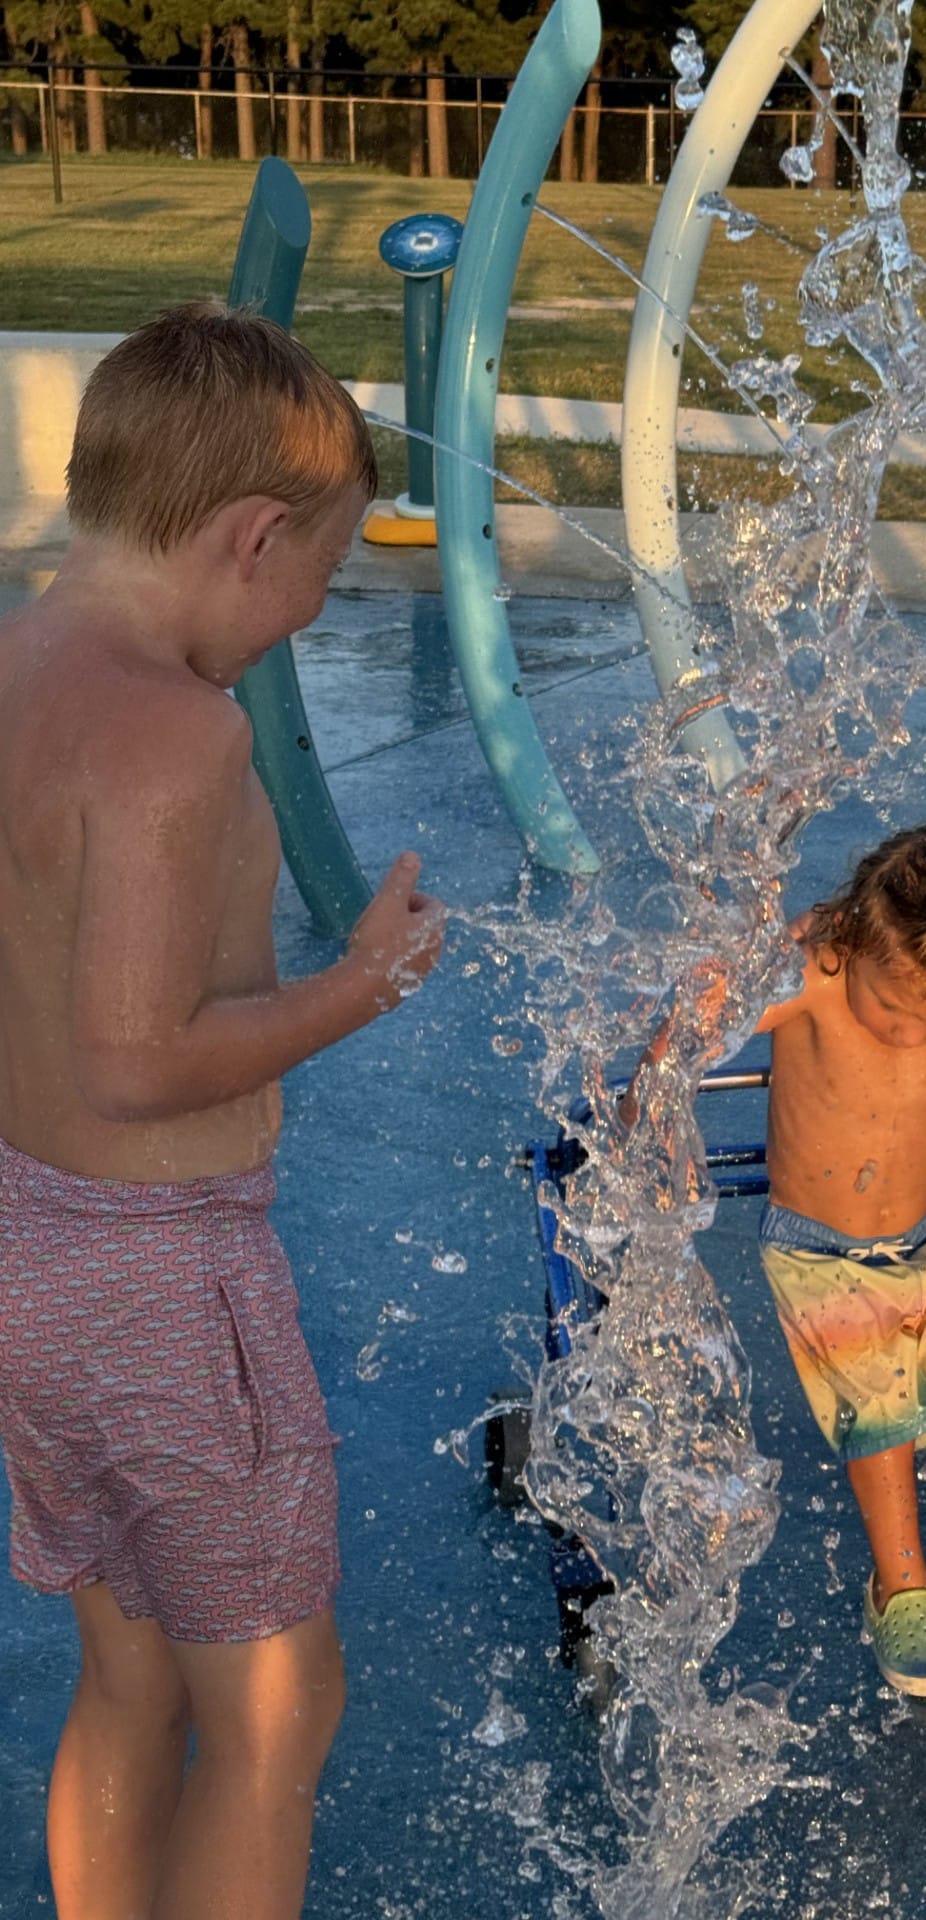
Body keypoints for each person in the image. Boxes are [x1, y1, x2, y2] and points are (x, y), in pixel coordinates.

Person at [0, 302, 448, 1919]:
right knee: (276, 1710)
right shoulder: (176, 733)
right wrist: (362, 986)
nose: (303, 622)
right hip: (158, 1279)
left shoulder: (16, 659)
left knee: (127, 1680)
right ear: (256, 537)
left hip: (25, 1246)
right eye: (315, 587)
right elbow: (136, 1056)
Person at [653, 814, 926, 1696]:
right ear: (850, 938)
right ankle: (900, 1581)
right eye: (895, 1006)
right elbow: (693, 1021)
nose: (912, 1033)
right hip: (822, 1250)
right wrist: (658, 1110)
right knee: (882, 1414)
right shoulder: (817, 972)